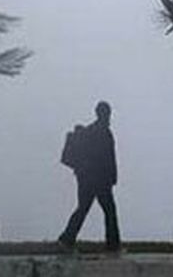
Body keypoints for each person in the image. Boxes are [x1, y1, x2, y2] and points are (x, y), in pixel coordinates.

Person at [57, 100, 121, 252]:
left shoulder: (90, 131)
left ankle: (66, 239)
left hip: (86, 179)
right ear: (104, 113)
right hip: (99, 180)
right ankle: (113, 246)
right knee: (109, 211)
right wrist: (112, 177)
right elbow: (108, 157)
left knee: (83, 209)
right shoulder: (103, 132)